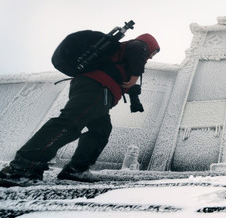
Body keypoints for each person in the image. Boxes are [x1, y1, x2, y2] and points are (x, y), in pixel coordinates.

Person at [0, 33, 160, 184]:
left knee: (101, 130)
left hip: (98, 92)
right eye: (153, 52)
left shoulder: (125, 55)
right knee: (69, 124)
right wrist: (134, 77)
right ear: (148, 45)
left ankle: (76, 169)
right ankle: (23, 166)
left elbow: (129, 77)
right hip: (98, 88)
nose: (151, 56)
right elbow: (138, 49)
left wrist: (134, 99)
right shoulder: (137, 45)